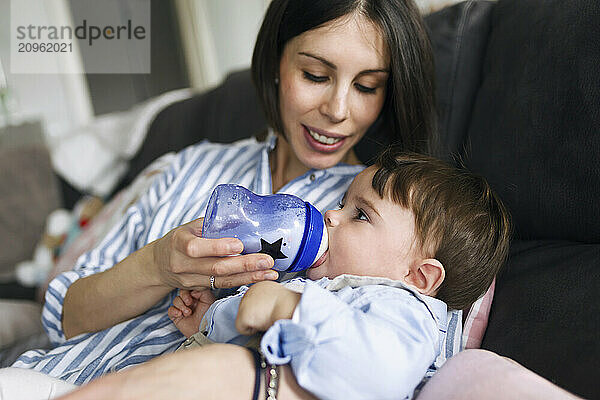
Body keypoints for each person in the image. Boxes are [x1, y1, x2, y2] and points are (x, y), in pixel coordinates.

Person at [5, 0, 440, 393]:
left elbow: (392, 352)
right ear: (276, 62)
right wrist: (157, 265)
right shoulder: (191, 165)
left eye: (367, 86)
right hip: (45, 376)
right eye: (315, 75)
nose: (338, 109)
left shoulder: (386, 220)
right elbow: (65, 315)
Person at [163, 150, 512, 400]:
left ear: (418, 278)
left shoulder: (403, 310)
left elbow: (380, 374)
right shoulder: (329, 286)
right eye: (344, 202)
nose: (331, 214)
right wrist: (210, 321)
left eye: (360, 215)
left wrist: (289, 307)